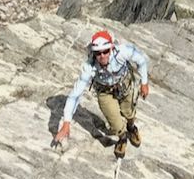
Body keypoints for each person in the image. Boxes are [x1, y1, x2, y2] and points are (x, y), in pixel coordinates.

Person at [54, 29, 151, 158]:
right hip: (105, 91)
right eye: (98, 53)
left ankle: (131, 127)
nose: (102, 56)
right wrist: (66, 123)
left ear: (111, 48)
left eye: (105, 51)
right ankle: (122, 137)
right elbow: (75, 95)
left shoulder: (122, 52)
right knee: (114, 120)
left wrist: (144, 83)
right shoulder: (90, 66)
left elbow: (141, 60)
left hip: (125, 83)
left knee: (129, 112)